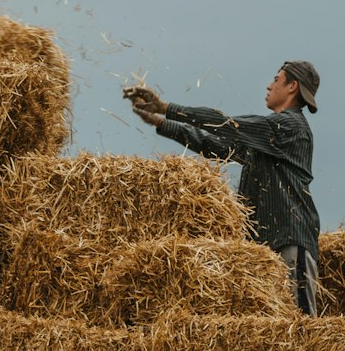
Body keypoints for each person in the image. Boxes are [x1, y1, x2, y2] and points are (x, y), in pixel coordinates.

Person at [123, 61, 321, 315]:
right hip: (264, 246)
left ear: (292, 86)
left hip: (290, 239)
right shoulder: (266, 140)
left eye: (276, 79)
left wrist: (166, 108)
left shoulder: (289, 127)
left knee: (303, 324)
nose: (269, 85)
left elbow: (227, 124)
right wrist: (161, 123)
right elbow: (214, 145)